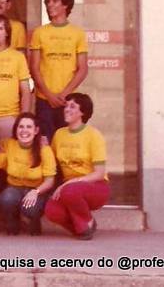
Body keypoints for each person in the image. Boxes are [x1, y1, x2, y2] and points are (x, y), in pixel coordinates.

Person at [45, 92, 109, 240]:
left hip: (95, 186)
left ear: (83, 112)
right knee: (51, 210)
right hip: (70, 189)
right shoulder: (59, 134)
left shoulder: (94, 135)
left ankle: (86, 222)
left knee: (70, 191)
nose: (67, 109)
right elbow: (53, 163)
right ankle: (82, 228)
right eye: (66, 106)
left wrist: (69, 184)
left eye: (72, 106)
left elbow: (99, 173)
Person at [29, 0, 88, 143]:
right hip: (44, 100)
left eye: (55, 1)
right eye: (48, 2)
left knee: (67, 143)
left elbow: (82, 69)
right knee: (45, 143)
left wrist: (64, 95)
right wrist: (49, 95)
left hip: (68, 101)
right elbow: (34, 68)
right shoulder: (39, 32)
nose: (50, 5)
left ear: (65, 5)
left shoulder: (77, 33)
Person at [0, 113, 56, 235]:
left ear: (36, 130)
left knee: (30, 209)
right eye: (21, 127)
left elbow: (50, 181)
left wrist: (36, 192)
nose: (24, 131)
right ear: (16, 129)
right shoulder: (7, 144)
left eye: (29, 127)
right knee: (7, 198)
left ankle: (33, 220)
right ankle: (13, 219)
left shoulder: (44, 149)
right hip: (14, 187)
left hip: (37, 189)